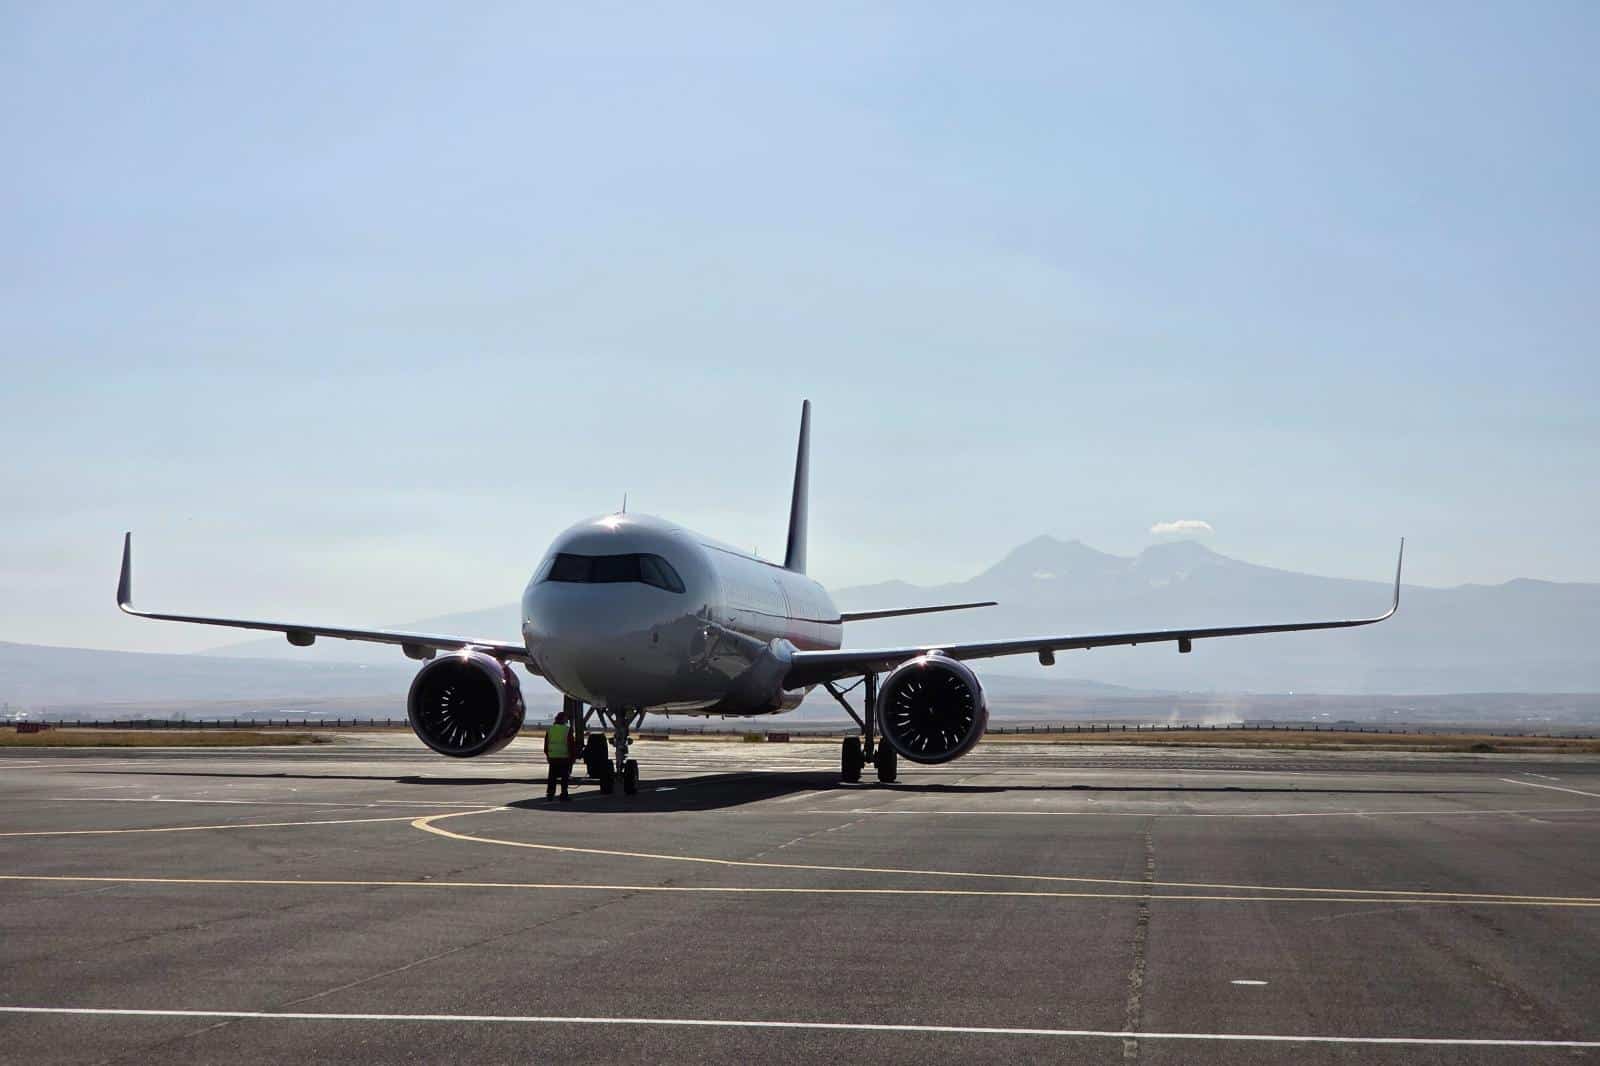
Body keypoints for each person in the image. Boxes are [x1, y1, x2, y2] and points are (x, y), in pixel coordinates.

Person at [544, 710, 576, 802]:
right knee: (564, 778)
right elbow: (571, 744)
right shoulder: (567, 730)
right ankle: (564, 795)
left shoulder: (550, 729)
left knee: (552, 777)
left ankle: (550, 794)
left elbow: (546, 743)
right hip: (564, 757)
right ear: (563, 719)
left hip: (553, 757)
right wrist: (572, 757)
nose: (567, 720)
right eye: (566, 718)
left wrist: (548, 755)